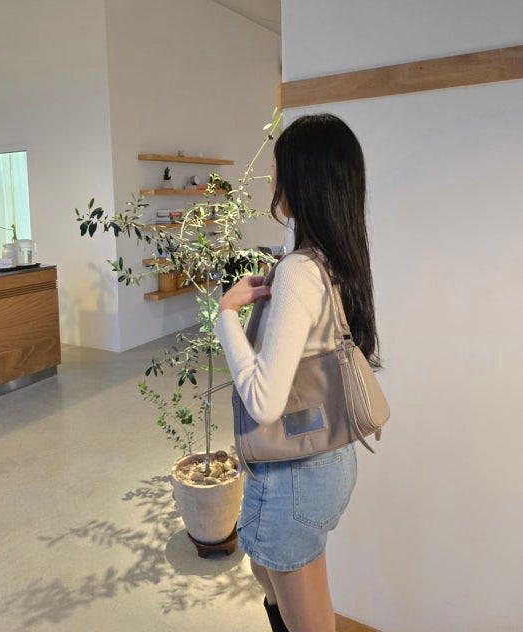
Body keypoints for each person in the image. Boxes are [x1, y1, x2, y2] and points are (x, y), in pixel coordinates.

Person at [214, 113, 381, 632]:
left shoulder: (299, 271)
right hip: (326, 457)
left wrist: (226, 316)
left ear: (303, 178)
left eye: (278, 167)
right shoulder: (335, 259)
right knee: (271, 573)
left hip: (295, 472)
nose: (272, 178)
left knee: (304, 616)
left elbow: (264, 402)